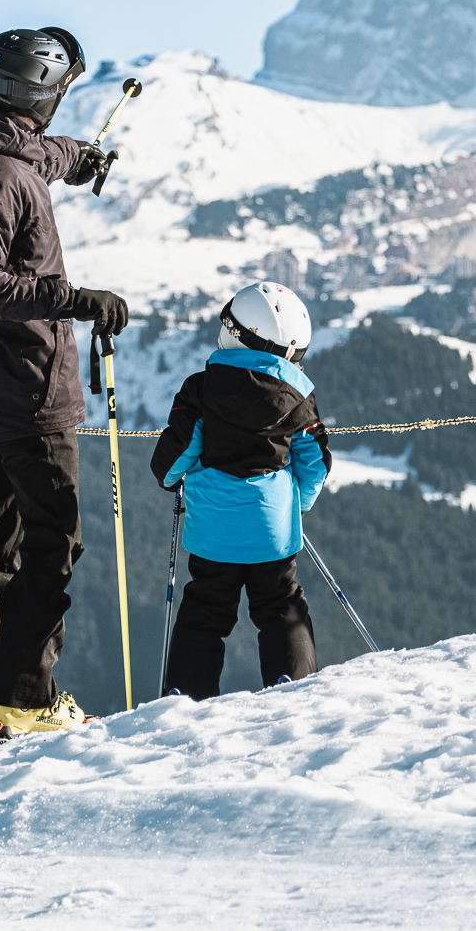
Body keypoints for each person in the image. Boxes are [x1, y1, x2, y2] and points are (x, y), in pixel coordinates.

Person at [0, 26, 129, 735]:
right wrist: (74, 299)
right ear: (38, 95)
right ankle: (25, 697)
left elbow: (35, 155)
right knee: (53, 542)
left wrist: (80, 159)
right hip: (28, 388)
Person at [152, 281, 331, 699]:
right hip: (273, 526)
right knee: (281, 604)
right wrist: (295, 507)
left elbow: (172, 462)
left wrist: (174, 480)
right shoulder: (298, 394)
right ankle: (295, 686)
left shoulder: (201, 387)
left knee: (205, 611)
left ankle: (186, 695)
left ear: (237, 331)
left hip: (213, 528)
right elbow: (315, 463)